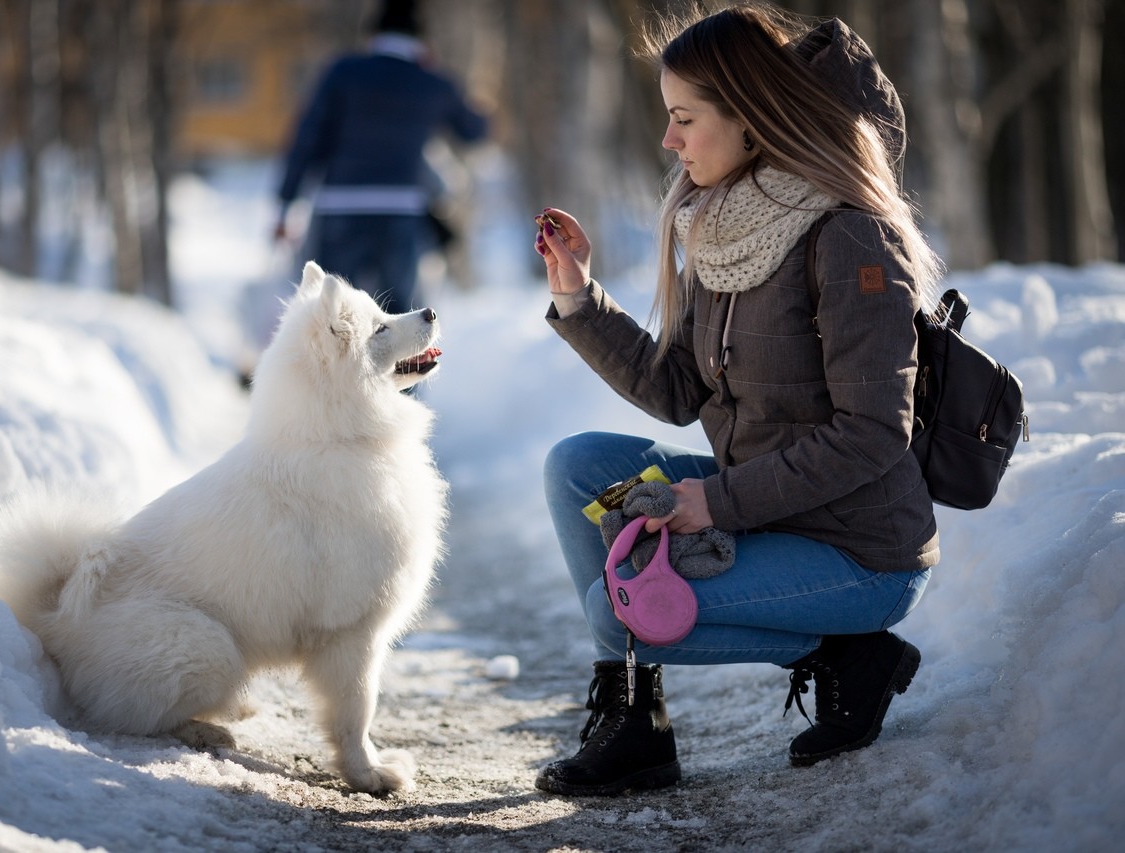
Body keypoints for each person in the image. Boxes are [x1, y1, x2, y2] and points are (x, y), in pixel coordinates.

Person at [532, 4, 944, 797]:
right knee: (580, 468)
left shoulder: (851, 237)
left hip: (858, 551)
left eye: (684, 118)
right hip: (770, 510)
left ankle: (851, 645)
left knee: (616, 608)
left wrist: (714, 501)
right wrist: (581, 302)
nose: (670, 141)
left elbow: (871, 436)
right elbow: (676, 390)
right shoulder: (726, 227)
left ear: (752, 118)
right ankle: (635, 731)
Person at [273, 0, 489, 314]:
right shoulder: (431, 82)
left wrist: (284, 206)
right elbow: (474, 130)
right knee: (399, 320)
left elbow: (306, 140)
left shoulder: (342, 72)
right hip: (399, 212)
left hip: (339, 209)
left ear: (373, 34)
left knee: (332, 317)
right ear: (421, 40)